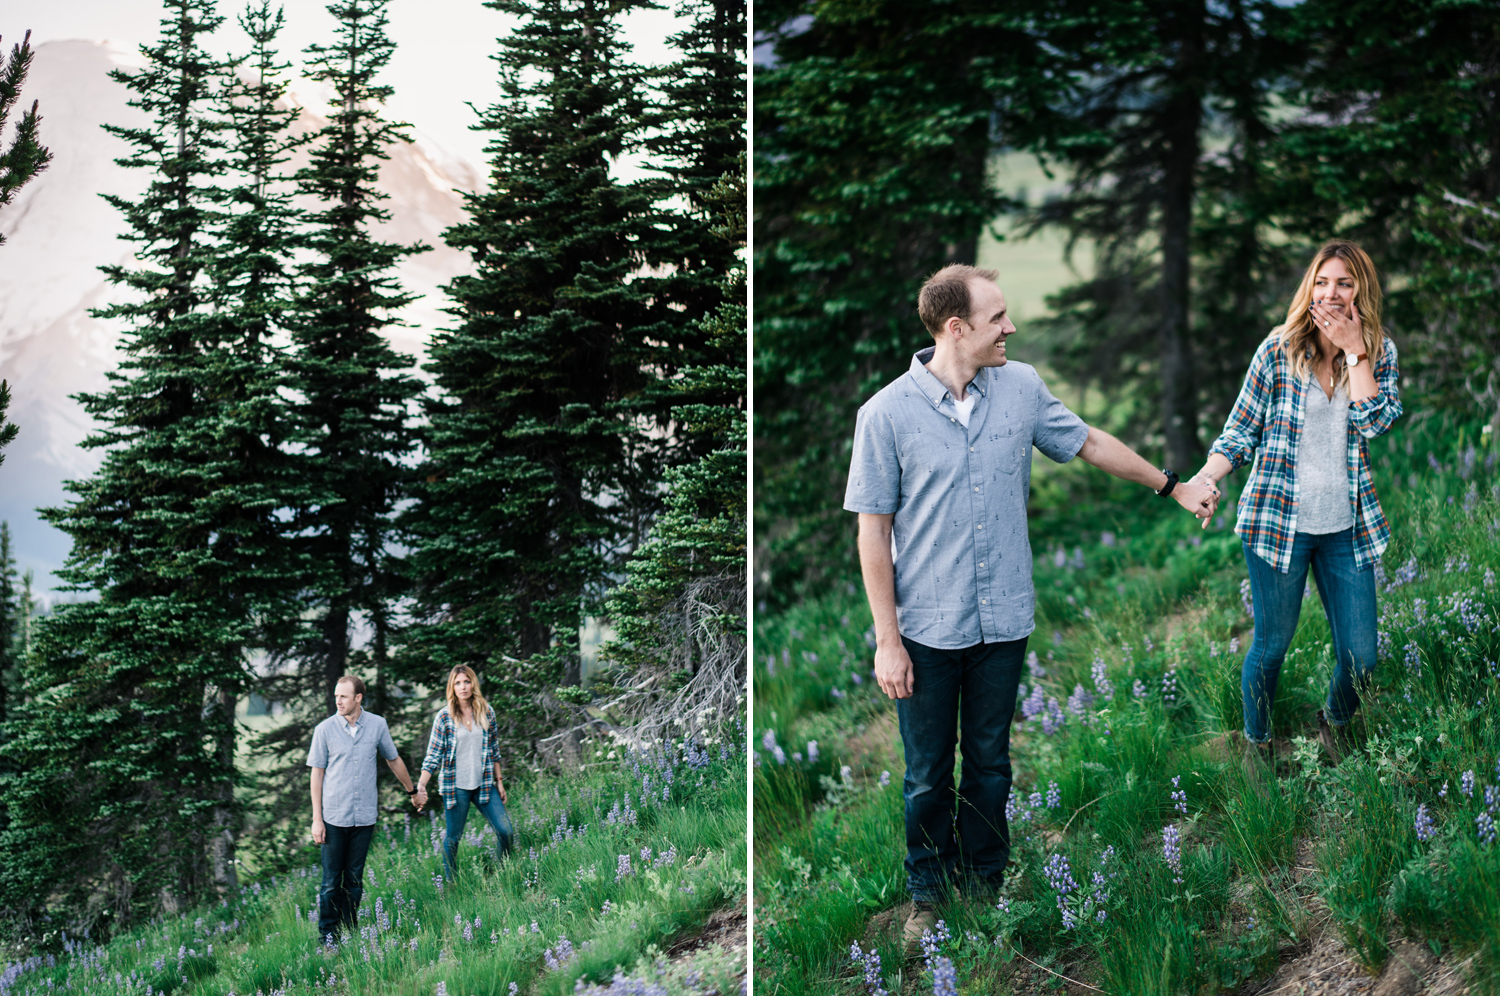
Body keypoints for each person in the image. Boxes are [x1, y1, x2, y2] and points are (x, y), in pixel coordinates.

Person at [844, 263, 1219, 957]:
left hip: (1003, 620)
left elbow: (1089, 442)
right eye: (998, 319)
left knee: (990, 762)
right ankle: (928, 894)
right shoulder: (885, 415)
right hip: (925, 629)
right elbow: (873, 531)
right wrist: (886, 640)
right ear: (955, 329)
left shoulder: (1020, 388)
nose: (1011, 328)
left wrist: (1172, 486)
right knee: (928, 771)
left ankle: (985, 886)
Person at [1191, 240, 1401, 774]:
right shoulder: (1278, 350)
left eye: (1345, 283)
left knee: (1361, 657)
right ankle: (1257, 748)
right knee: (1271, 647)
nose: (1332, 293)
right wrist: (1206, 478)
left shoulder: (1381, 351)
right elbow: (1240, 432)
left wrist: (1354, 352)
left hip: (1346, 528)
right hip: (1277, 525)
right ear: (1310, 286)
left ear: (1362, 292)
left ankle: (1332, 725)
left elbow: (1376, 422)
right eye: (1323, 281)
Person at [308, 674, 419, 946]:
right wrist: (316, 819)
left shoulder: (377, 725)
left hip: (364, 818)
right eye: (336, 695)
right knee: (331, 882)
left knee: (354, 881)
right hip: (334, 818)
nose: (338, 700)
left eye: (343, 696)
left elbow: (393, 760)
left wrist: (413, 791)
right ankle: (328, 937)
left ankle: (350, 931)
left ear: (358, 698)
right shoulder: (324, 729)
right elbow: (317, 775)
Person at [416, 665, 514, 880]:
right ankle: (451, 884)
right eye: (458, 683)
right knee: (453, 837)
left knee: (506, 831)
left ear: (473, 684)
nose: (463, 687)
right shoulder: (444, 717)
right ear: (452, 686)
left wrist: (499, 781)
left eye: (467, 681)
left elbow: (494, 749)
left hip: (484, 784)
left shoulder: (487, 712)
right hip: (456, 787)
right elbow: (433, 756)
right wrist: (421, 785)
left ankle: (503, 873)